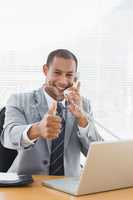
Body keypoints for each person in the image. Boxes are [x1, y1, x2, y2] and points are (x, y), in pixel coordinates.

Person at [1, 49, 102, 176]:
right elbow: (8, 137)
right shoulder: (19, 100)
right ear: (45, 70)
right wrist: (37, 129)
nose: (63, 81)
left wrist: (82, 120)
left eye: (69, 75)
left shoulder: (83, 104)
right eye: (57, 73)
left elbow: (97, 154)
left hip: (69, 186)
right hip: (27, 184)